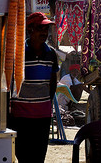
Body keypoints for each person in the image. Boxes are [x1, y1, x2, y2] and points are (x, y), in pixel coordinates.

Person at [9, 12, 59, 163]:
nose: (44, 32)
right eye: (40, 28)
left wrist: (46, 103)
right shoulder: (18, 53)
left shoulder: (51, 54)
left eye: (46, 29)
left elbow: (53, 82)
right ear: (30, 30)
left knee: (38, 158)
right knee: (24, 156)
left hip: (42, 116)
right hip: (20, 116)